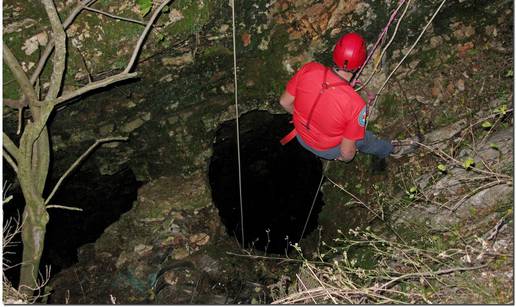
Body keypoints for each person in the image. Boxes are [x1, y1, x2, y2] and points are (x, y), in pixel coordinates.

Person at [279, 32, 399, 162]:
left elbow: (284, 102)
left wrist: (303, 116)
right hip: (327, 150)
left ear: (335, 53)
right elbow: (347, 152)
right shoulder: (356, 105)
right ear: (360, 65)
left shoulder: (309, 69)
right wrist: (343, 158)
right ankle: (391, 149)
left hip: (300, 137)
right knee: (364, 139)